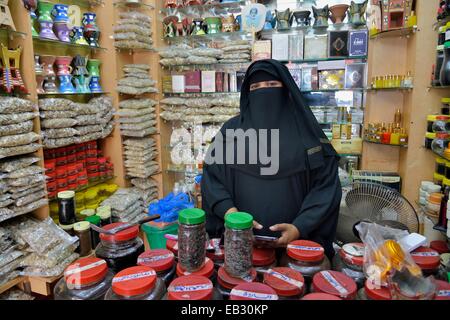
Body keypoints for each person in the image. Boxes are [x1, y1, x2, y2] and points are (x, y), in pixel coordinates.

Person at [201, 59, 342, 258]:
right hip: (239, 248)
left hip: (296, 254)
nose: (264, 91)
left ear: (286, 90)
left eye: (272, 85)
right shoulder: (231, 132)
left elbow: (326, 187)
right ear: (248, 95)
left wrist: (300, 227)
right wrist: (230, 213)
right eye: (256, 86)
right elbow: (211, 178)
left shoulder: (307, 134)